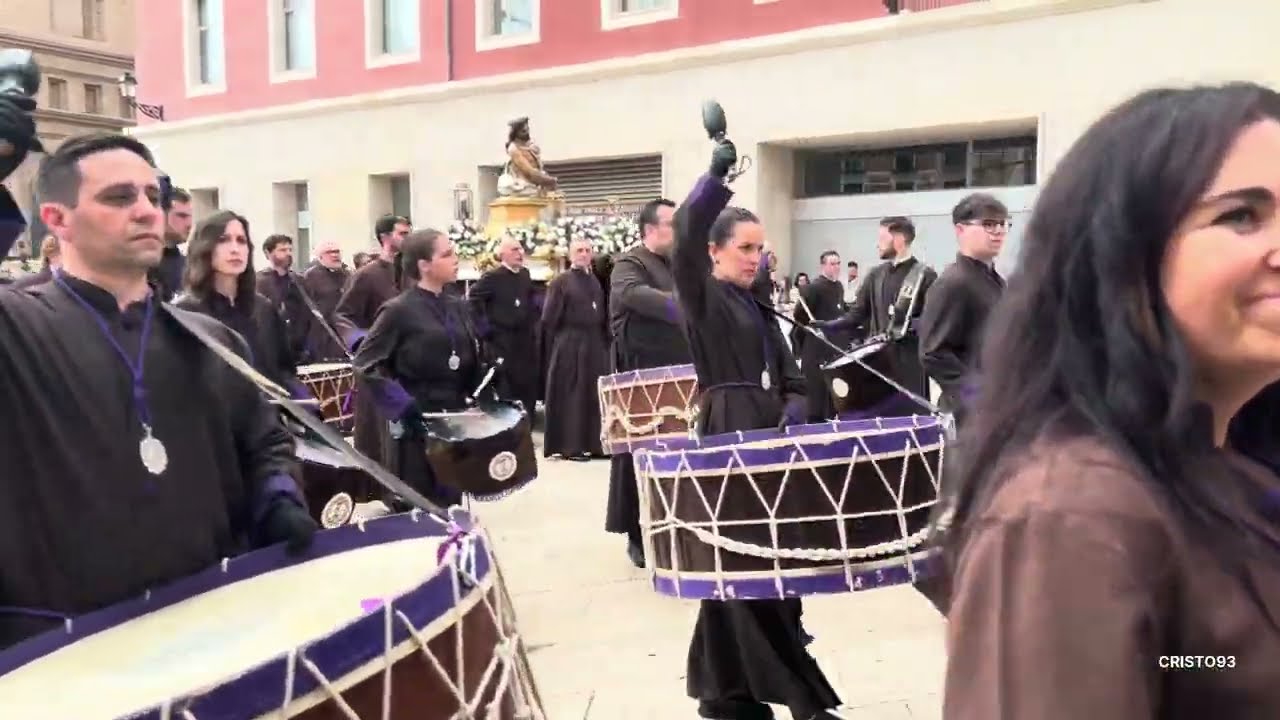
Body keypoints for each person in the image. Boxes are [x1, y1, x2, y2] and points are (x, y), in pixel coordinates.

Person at [938, 83, 1280, 719]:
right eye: (1241, 216)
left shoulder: (1226, 471)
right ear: (1125, 257)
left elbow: (1205, 662)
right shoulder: (1073, 512)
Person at [0, 131, 315, 651]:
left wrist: (276, 501)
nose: (147, 211)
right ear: (57, 220)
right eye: (119, 198)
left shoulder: (212, 339)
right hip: (67, 649)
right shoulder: (17, 327)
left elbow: (266, 445)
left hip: (212, 622)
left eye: (154, 196)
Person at [673, 145, 839, 720]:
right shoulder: (702, 298)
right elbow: (684, 232)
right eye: (743, 249)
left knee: (760, 569)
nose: (754, 258)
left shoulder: (762, 307)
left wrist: (793, 409)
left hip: (770, 439)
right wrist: (715, 178)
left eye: (759, 249)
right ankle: (800, 698)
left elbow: (793, 378)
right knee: (751, 567)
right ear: (714, 253)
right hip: (726, 435)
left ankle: (725, 692)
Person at [353, 228, 487, 508]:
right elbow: (366, 364)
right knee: (418, 512)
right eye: (447, 254)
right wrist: (402, 405)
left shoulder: (458, 306)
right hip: (416, 425)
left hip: (453, 421)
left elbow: (468, 353)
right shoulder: (397, 311)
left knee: (451, 508)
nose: (455, 258)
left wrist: (481, 390)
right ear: (424, 266)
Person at [605, 197, 688, 568]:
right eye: (672, 224)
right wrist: (680, 305)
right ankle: (636, 536)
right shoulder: (630, 263)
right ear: (650, 229)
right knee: (638, 459)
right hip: (641, 380)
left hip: (677, 376)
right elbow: (630, 295)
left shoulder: (674, 264)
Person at [173, 211, 306, 396]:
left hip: (272, 420)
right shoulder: (185, 314)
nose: (235, 249)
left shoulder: (263, 309)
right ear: (204, 247)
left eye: (241, 241)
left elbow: (284, 371)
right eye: (223, 240)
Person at [816, 217, 936, 416]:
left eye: (882, 237)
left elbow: (934, 319)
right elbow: (857, 314)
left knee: (911, 423)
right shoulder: (875, 275)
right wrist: (830, 325)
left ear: (898, 240)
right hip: (877, 364)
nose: (877, 243)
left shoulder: (925, 276)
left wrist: (912, 326)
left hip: (909, 365)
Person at [917, 193, 1008, 421]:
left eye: (1003, 224)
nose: (998, 231)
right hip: (972, 417)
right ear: (960, 230)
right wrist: (977, 395)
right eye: (988, 224)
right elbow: (934, 354)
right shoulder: (953, 283)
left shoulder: (997, 282)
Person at [334, 213, 409, 460]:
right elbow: (343, 315)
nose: (408, 237)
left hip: (409, 364)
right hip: (378, 366)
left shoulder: (412, 272)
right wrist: (362, 340)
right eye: (402, 233)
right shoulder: (367, 275)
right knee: (379, 437)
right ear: (385, 238)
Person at [541, 236, 609, 460]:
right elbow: (549, 317)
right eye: (579, 250)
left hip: (594, 343)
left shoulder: (594, 281)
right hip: (570, 343)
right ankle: (571, 446)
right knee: (573, 394)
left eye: (588, 250)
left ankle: (595, 443)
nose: (584, 254)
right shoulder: (561, 281)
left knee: (593, 394)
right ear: (570, 255)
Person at [469, 236, 540, 419]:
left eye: (521, 249)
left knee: (527, 390)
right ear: (502, 255)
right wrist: (485, 330)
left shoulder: (524, 274)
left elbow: (532, 300)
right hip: (502, 343)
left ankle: (527, 428)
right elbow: (473, 302)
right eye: (514, 250)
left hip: (524, 343)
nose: (520, 253)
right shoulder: (492, 277)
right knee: (507, 391)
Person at [792, 250, 847, 421]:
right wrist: (812, 327)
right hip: (817, 344)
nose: (836, 267)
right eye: (832, 263)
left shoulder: (838, 286)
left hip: (834, 344)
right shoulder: (813, 288)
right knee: (817, 386)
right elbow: (799, 314)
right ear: (823, 266)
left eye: (838, 263)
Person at [256, 233, 312, 365]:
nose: (288, 253)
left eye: (290, 250)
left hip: (299, 351)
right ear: (268, 253)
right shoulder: (259, 282)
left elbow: (307, 315)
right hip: (272, 350)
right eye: (282, 250)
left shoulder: (299, 281)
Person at [301, 240, 352, 361]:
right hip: (323, 336)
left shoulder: (348, 275)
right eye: (330, 252)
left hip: (346, 333)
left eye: (337, 252)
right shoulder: (310, 277)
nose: (335, 255)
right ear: (320, 257)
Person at [150, 186, 191, 300]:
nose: (189, 224)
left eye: (190, 217)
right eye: (181, 216)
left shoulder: (189, 266)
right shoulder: (142, 265)